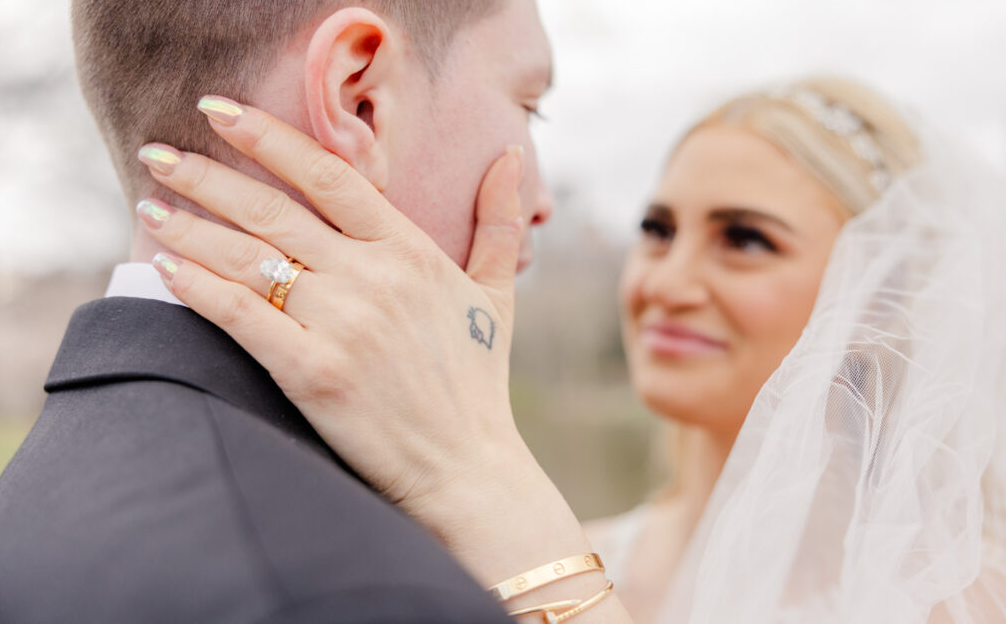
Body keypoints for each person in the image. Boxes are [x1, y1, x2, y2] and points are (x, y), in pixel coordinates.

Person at [138, 77, 1006, 622]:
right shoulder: (585, 547)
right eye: (658, 230)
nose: (666, 280)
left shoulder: (960, 594)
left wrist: (488, 491)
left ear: (880, 297)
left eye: (745, 239)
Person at [0, 0, 555, 622]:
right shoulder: (365, 591)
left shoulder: (27, 499)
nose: (542, 198)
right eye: (528, 105)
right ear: (358, 97)